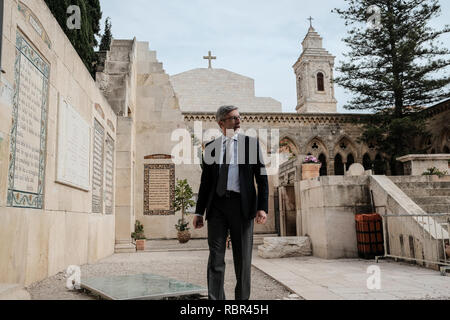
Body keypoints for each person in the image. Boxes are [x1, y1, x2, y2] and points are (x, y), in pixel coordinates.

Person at [193, 105, 268, 300]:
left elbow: (262, 178)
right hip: (217, 207)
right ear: (221, 123)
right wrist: (199, 212)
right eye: (233, 118)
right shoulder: (211, 148)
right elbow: (206, 183)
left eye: (238, 117)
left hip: (242, 207)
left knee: (242, 259)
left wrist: (262, 207)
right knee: (215, 258)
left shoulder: (250, 145)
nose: (238, 120)